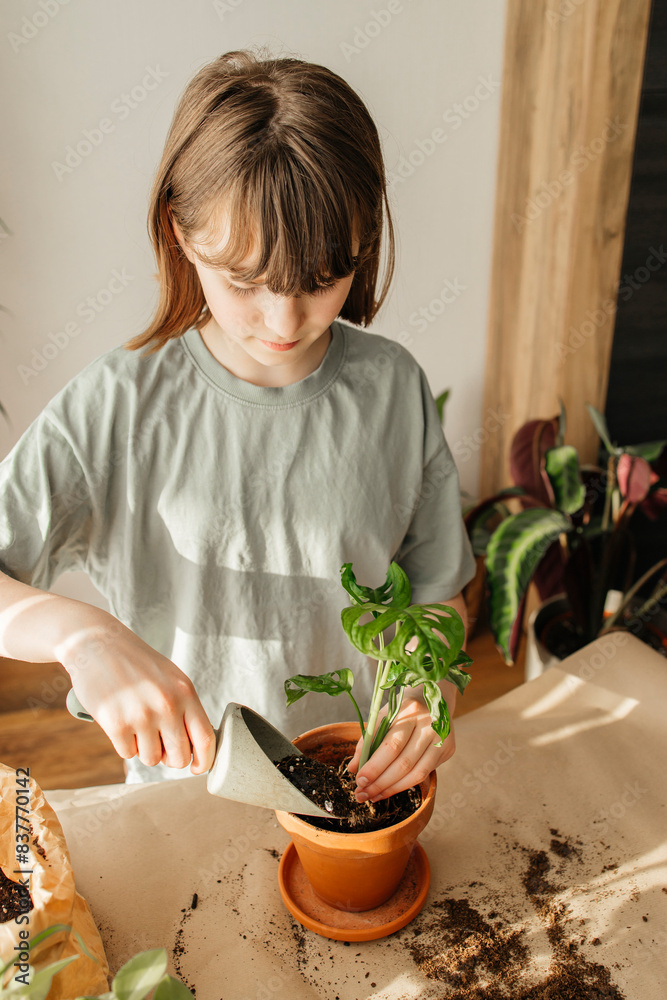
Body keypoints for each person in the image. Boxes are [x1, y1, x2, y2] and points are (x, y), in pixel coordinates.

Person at [0, 49, 476, 803]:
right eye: (247, 281)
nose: (285, 321)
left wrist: (427, 695)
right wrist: (81, 635)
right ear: (181, 234)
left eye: (324, 279)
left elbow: (437, 588)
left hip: (357, 784)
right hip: (184, 798)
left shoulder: (392, 388)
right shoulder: (116, 406)